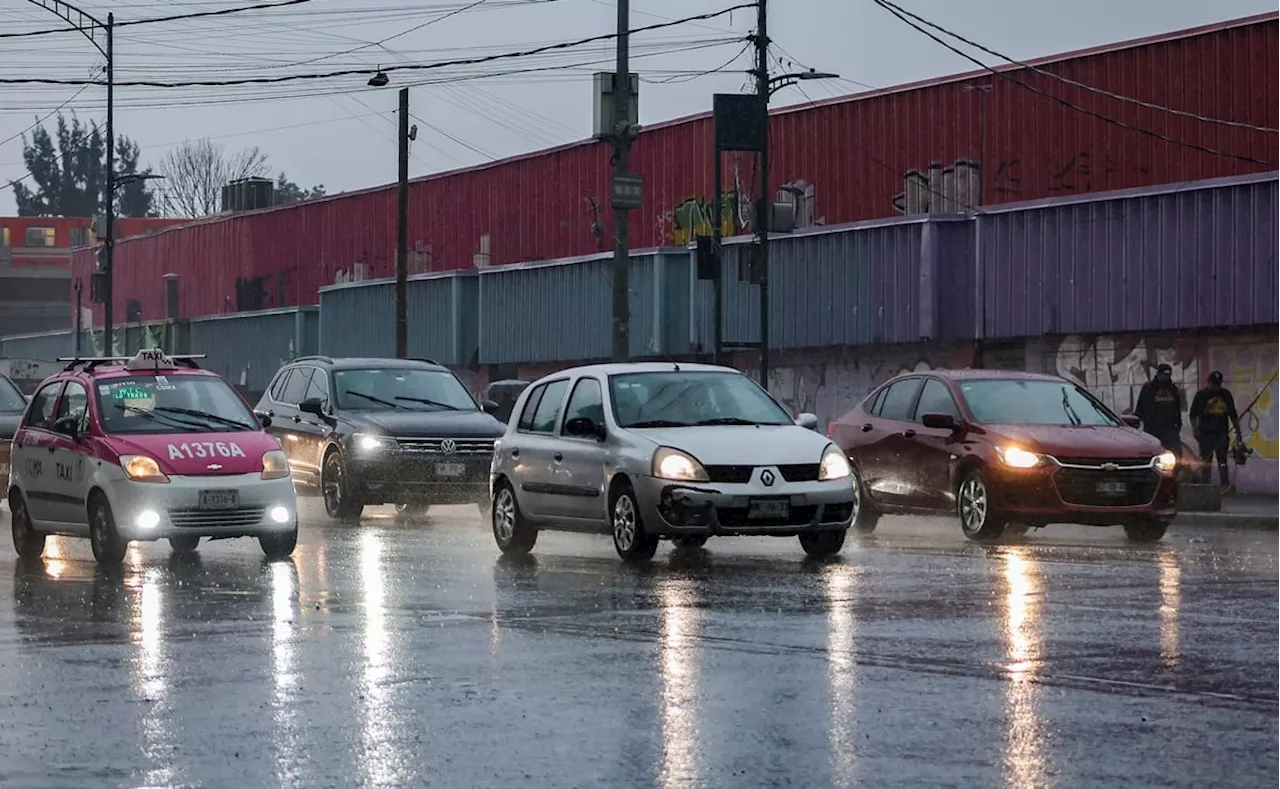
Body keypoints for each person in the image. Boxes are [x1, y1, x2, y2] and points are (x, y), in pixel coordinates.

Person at [1189, 370, 1241, 489]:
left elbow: (1233, 414)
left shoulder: (1225, 395)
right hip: (1205, 434)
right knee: (1206, 461)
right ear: (1209, 382)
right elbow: (1193, 414)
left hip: (1221, 434)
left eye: (1218, 384)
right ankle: (1205, 486)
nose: (1216, 387)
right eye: (1213, 384)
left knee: (1222, 461)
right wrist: (1195, 430)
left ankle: (1224, 486)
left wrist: (1238, 432)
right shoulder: (1201, 395)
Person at [1135, 363, 1183, 456]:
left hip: (1170, 429)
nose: (1166, 377)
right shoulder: (1149, 388)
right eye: (1164, 375)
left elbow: (1177, 408)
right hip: (1152, 428)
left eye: (1168, 375)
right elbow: (1141, 407)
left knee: (1175, 454)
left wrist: (1178, 425)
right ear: (1158, 374)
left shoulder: (1173, 389)